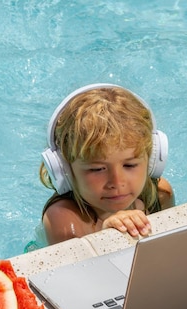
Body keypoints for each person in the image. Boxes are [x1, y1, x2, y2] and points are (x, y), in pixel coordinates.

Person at [39, 84, 175, 245]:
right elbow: (81, 269)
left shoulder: (159, 195)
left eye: (130, 165)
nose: (117, 182)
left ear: (151, 160)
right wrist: (107, 235)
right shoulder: (64, 217)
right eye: (97, 169)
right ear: (64, 169)